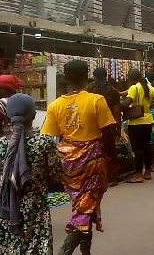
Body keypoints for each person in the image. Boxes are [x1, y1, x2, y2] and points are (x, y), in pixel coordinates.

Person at [40, 60, 116, 255]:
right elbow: (108, 134)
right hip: (93, 162)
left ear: (65, 77)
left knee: (83, 205)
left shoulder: (55, 105)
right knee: (86, 208)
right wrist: (111, 161)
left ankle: (86, 251)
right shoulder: (96, 100)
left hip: (68, 164)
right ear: (86, 77)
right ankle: (65, 250)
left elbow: (49, 139)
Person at [0, 94, 63, 254]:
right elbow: (56, 177)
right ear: (34, 116)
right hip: (36, 211)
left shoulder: (1, 146)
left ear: (8, 116)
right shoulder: (45, 144)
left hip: (7, 211)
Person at [121, 68, 154, 183]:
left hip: (136, 122)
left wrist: (119, 105)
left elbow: (127, 103)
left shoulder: (133, 88)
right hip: (148, 120)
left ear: (131, 78)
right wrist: (148, 106)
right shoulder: (150, 88)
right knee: (146, 146)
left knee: (137, 148)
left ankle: (138, 173)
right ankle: (147, 171)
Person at [88, 68, 122, 187]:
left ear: (94, 76)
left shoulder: (89, 89)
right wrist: (118, 125)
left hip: (93, 124)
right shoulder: (112, 90)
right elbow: (116, 110)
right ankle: (112, 177)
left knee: (94, 151)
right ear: (106, 76)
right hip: (108, 124)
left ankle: (97, 176)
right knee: (110, 151)